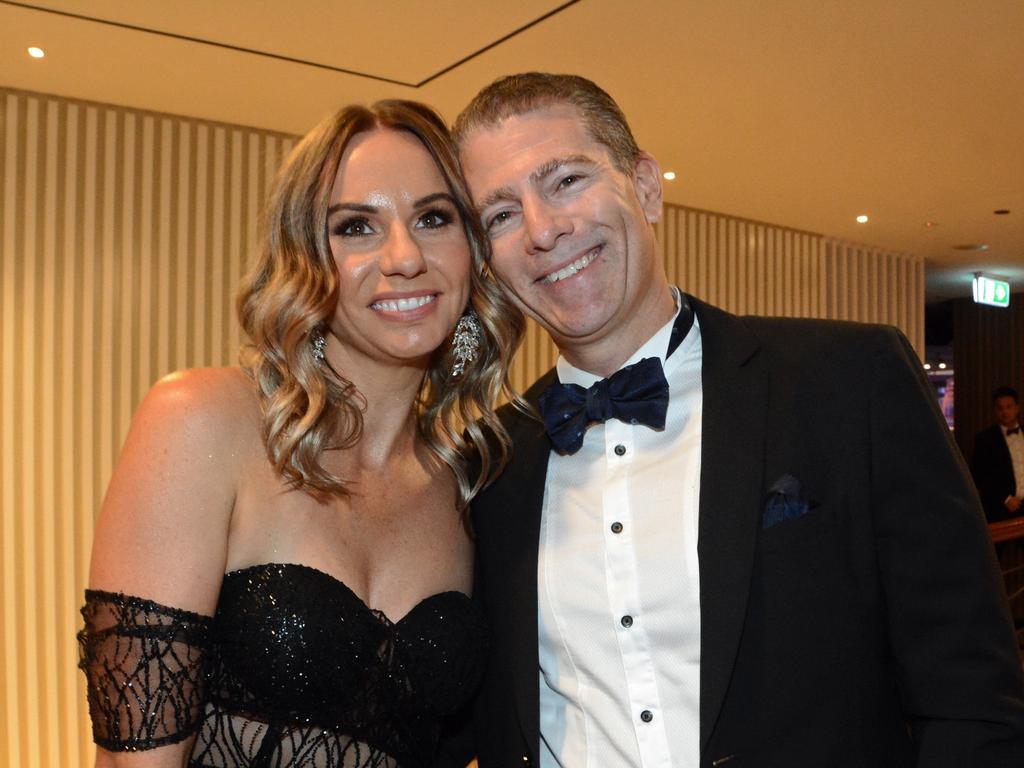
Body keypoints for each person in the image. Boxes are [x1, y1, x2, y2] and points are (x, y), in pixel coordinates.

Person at [448, 73, 1024, 767]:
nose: (543, 230)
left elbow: (972, 698)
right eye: (501, 215)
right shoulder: (491, 462)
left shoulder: (848, 382)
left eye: (566, 180)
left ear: (647, 187)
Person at [77, 100, 522, 768]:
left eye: (434, 218)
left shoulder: (474, 482)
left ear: (472, 248)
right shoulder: (204, 419)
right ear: (306, 255)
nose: (404, 257)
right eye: (356, 227)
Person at [973, 385, 1024, 523]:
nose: (1005, 412)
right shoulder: (984, 439)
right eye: (1000, 408)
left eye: (1009, 406)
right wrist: (1005, 498)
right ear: (995, 410)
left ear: (1017, 408)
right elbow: (980, 475)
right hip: (999, 509)